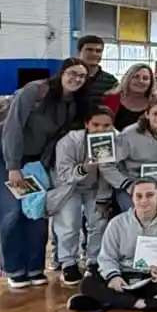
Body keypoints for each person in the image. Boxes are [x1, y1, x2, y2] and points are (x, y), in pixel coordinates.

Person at [0, 58, 89, 288]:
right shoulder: (34, 91)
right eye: (73, 73)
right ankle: (14, 268)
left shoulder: (72, 103)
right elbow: (13, 128)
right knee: (11, 212)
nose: (77, 79)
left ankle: (34, 267)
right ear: (61, 73)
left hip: (35, 162)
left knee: (36, 211)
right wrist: (13, 166)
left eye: (82, 77)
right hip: (4, 157)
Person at [66, 178, 157, 312]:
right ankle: (141, 304)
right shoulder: (117, 223)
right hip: (122, 274)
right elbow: (107, 257)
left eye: (149, 195)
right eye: (138, 196)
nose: (144, 201)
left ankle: (106, 301)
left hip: (150, 278)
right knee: (88, 283)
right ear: (132, 198)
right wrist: (113, 276)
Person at [49, 107, 117, 286]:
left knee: (98, 222)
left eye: (106, 125)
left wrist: (104, 196)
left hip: (96, 187)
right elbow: (63, 175)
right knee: (69, 223)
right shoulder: (69, 141)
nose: (101, 130)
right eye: (96, 125)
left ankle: (93, 260)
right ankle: (68, 262)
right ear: (87, 124)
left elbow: (111, 173)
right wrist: (85, 168)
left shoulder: (116, 140)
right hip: (68, 187)